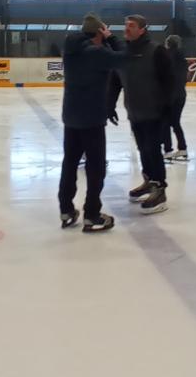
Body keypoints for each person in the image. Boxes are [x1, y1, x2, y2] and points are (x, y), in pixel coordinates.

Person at [58, 14, 130, 232]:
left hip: (71, 117)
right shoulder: (95, 53)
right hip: (91, 119)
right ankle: (92, 214)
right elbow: (124, 57)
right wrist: (112, 38)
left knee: (70, 163)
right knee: (95, 167)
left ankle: (66, 209)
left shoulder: (71, 49)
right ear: (99, 32)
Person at [109, 14, 175, 215]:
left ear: (142, 29)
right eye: (126, 25)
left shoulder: (156, 51)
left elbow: (170, 82)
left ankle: (159, 189)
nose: (126, 29)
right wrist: (109, 105)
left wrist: (167, 110)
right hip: (135, 111)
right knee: (142, 149)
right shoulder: (123, 53)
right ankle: (149, 181)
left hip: (154, 112)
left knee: (152, 149)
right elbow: (116, 81)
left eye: (131, 26)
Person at [163, 35, 189, 161]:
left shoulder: (166, 56)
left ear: (168, 44)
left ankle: (168, 150)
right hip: (181, 94)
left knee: (165, 123)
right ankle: (182, 148)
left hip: (169, 95)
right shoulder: (182, 58)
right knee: (175, 122)